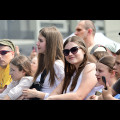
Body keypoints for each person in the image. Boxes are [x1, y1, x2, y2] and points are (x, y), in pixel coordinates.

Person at [46, 36, 98, 100]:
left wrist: (51, 98)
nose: (70, 54)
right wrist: (51, 97)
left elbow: (79, 96)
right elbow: (55, 92)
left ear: (84, 50)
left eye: (74, 50)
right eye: (66, 52)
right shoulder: (71, 72)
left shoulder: (90, 67)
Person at [22, 26, 65, 100]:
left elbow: (63, 94)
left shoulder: (57, 65)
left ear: (50, 43)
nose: (37, 43)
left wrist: (37, 94)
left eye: (41, 41)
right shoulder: (44, 63)